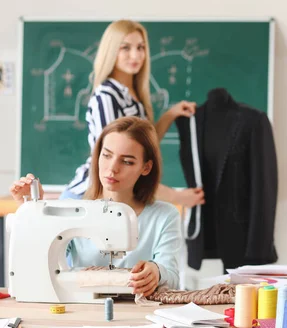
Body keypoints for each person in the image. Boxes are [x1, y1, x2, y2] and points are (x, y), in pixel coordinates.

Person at [10, 117, 180, 296]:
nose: (112, 169)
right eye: (106, 155)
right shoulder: (71, 211)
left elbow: (173, 276)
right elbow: (39, 266)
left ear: (146, 167)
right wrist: (31, 214)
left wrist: (157, 272)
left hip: (138, 311)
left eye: (127, 161)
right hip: (81, 310)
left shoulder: (165, 216)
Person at [63, 19, 204, 208]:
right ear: (112, 51)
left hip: (114, 199)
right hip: (88, 199)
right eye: (125, 48)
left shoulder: (133, 94)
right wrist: (176, 197)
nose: (135, 55)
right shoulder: (107, 97)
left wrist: (171, 114)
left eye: (141, 47)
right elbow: (118, 162)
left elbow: (144, 144)